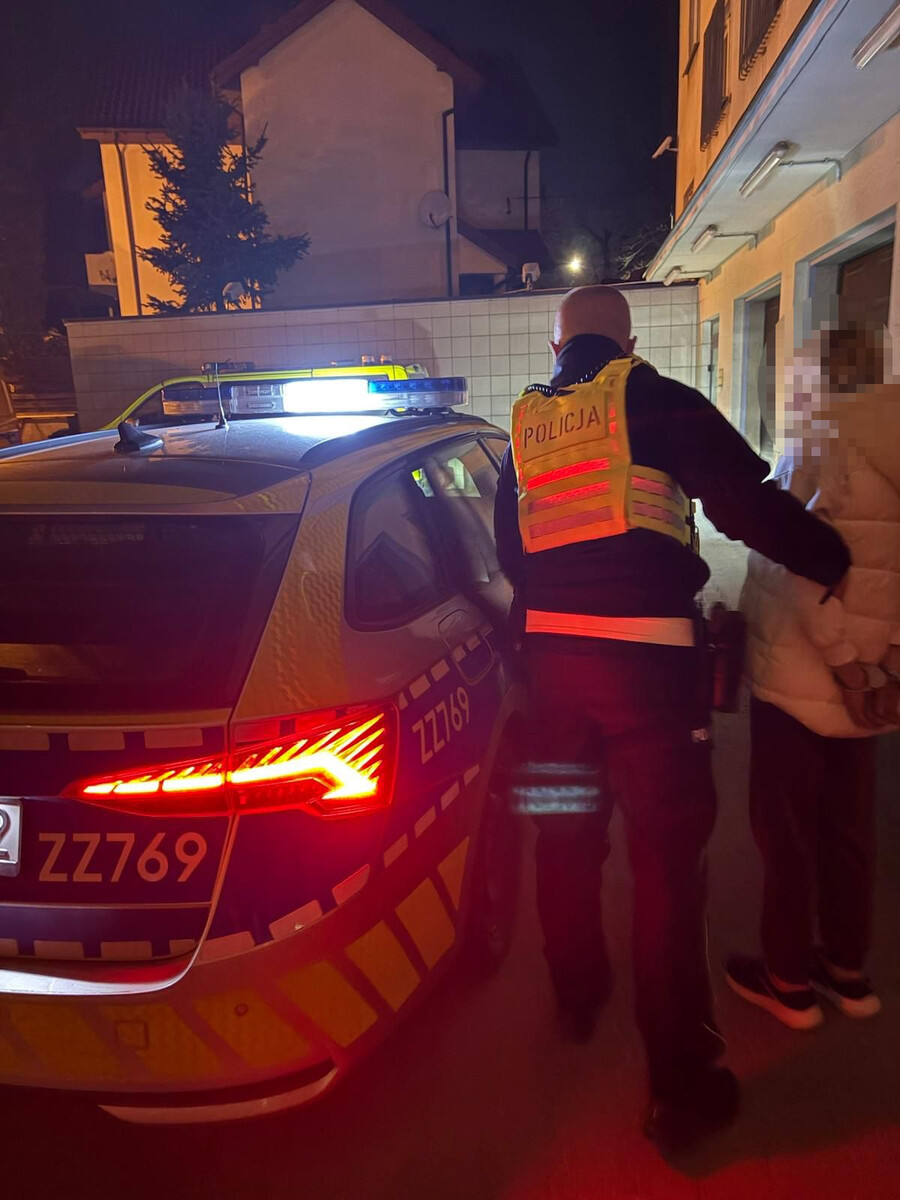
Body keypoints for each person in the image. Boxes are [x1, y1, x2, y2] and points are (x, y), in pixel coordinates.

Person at [493, 286, 851, 1157]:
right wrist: (832, 558)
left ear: (554, 347)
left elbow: (511, 552)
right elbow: (743, 502)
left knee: (564, 839)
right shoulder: (656, 398)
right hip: (650, 679)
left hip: (553, 681)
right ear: (628, 341)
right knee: (665, 870)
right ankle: (681, 1091)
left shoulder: (525, 431)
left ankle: (579, 994)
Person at [727, 323, 900, 1028]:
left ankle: (789, 981)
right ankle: (849, 972)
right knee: (849, 831)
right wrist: (889, 664)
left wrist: (847, 666)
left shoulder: (817, 445)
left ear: (814, 377)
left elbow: (800, 562)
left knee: (789, 832)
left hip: (803, 675)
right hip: (875, 677)